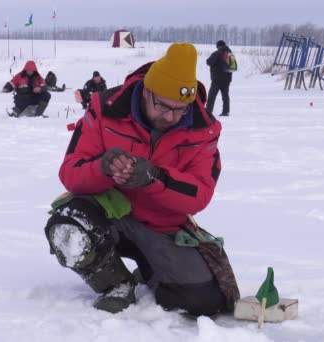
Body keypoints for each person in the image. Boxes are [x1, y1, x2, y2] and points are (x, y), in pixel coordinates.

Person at [45, 43, 231, 316]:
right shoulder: (105, 109)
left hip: (162, 228)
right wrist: (103, 167)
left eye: (181, 109)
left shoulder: (204, 130)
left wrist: (155, 177)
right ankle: (115, 284)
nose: (170, 116)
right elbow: (70, 172)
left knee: (204, 302)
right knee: (68, 225)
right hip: (109, 219)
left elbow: (200, 194)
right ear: (146, 90)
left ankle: (153, 271)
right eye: (163, 106)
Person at [205, 40, 233, 117]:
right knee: (225, 96)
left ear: (218, 46)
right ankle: (225, 111)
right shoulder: (230, 53)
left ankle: (208, 111)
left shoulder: (217, 53)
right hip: (227, 79)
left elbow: (209, 62)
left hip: (217, 79)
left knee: (212, 95)